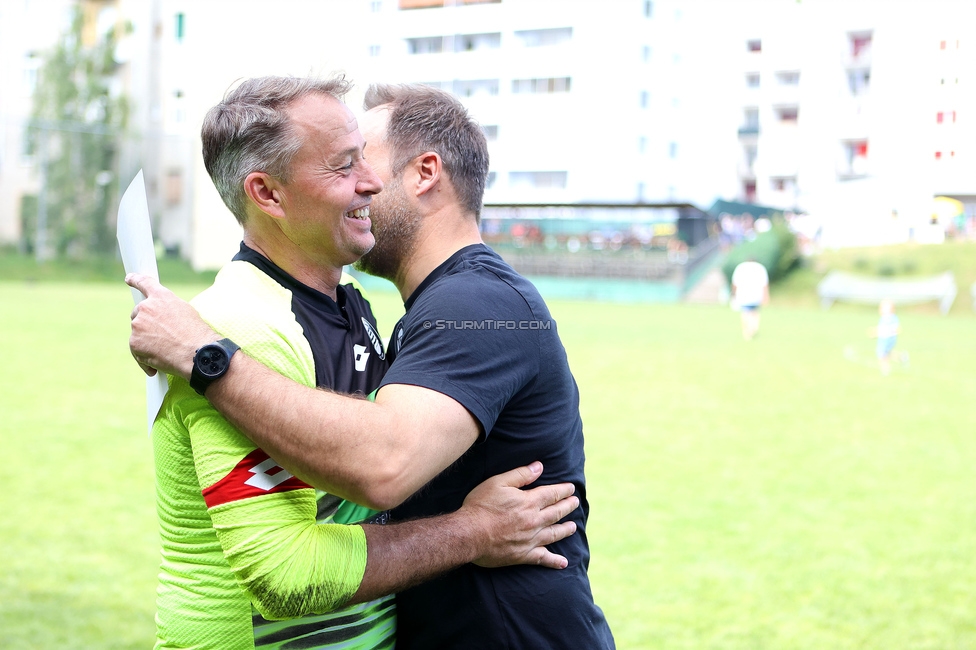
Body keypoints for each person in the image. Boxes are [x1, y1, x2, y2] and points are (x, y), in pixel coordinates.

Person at [128, 82, 616, 649]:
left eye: (367, 154)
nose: (370, 180)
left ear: (426, 173)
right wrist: (473, 530)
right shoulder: (251, 321)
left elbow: (383, 458)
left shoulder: (472, 305)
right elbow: (290, 572)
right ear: (268, 194)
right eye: (344, 163)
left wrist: (207, 357)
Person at [730, 257, 770, 340]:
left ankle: (747, 331)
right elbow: (765, 284)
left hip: (743, 294)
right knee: (754, 312)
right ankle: (753, 329)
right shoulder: (760, 268)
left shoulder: (741, 267)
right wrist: (766, 296)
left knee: (745, 313)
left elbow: (735, 283)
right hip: (756, 294)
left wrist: (733, 294)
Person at [870, 299, 900, 375]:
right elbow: (881, 328)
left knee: (881, 353)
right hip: (883, 339)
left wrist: (876, 333)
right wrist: (875, 331)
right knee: (886, 353)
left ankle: (886, 369)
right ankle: (902, 357)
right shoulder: (883, 318)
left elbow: (893, 329)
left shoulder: (891, 318)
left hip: (887, 339)